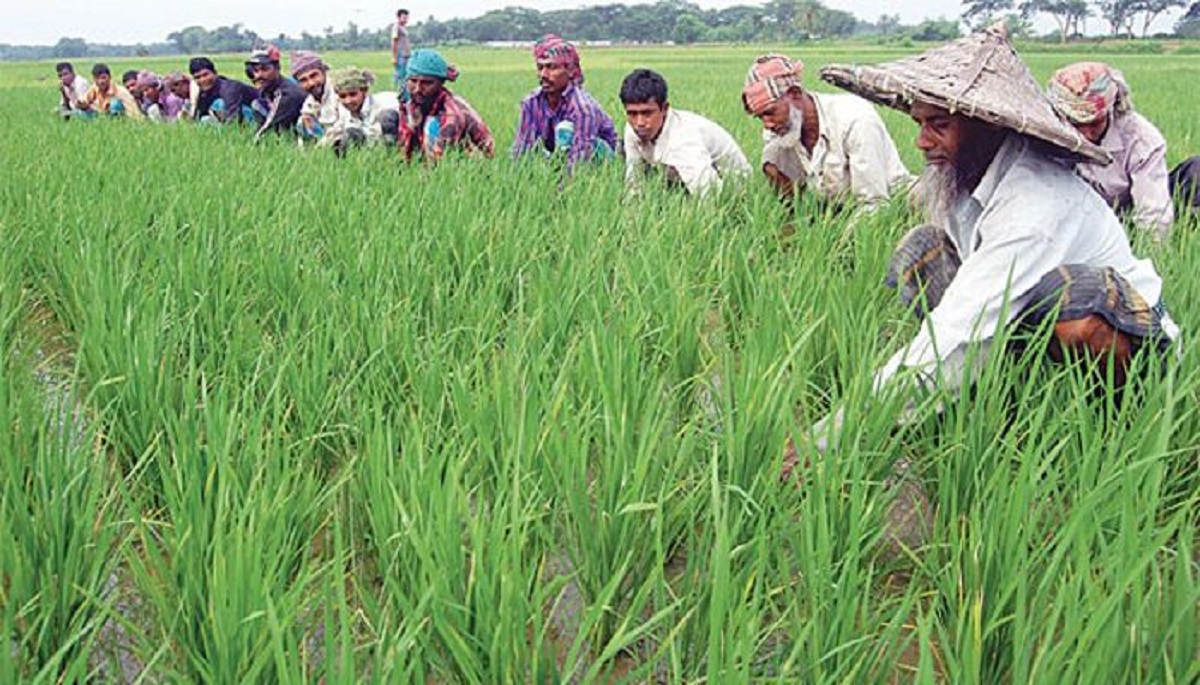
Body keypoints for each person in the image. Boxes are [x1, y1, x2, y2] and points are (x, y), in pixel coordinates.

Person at [796, 25, 1178, 459]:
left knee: (1075, 307)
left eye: (939, 125)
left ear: (985, 126)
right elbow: (970, 299)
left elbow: (962, 323)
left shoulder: (1035, 203)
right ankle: (982, 402)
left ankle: (1118, 432)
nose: (922, 141)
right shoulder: (965, 175)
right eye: (920, 123)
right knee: (922, 252)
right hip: (1031, 316)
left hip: (1135, 340)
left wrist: (835, 434)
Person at [1047, 62, 1200, 239]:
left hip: (1129, 207)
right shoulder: (1051, 135)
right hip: (1083, 215)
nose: (1087, 134)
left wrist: (1151, 251)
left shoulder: (1141, 139)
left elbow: (1153, 210)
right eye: (1077, 125)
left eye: (1095, 123)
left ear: (1112, 108)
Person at [741, 54, 912, 211]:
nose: (767, 124)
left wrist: (837, 243)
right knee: (771, 157)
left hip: (892, 202)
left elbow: (875, 205)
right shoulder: (780, 133)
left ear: (794, 95)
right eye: (760, 117)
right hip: (836, 209)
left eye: (770, 112)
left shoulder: (854, 119)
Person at [620, 68, 750, 197]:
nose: (639, 122)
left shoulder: (683, 138)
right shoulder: (632, 130)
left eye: (647, 113)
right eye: (632, 113)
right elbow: (634, 179)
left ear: (664, 108)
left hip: (730, 185)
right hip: (678, 177)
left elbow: (709, 193)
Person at [512, 34, 617, 167]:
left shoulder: (582, 108)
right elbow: (522, 150)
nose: (543, 75)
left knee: (565, 130)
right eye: (540, 68)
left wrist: (564, 187)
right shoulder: (531, 103)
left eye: (551, 67)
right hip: (557, 156)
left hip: (598, 159)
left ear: (570, 70)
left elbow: (581, 155)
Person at [398, 49, 494, 162]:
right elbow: (405, 141)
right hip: (432, 149)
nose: (418, 88)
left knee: (431, 126)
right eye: (413, 81)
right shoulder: (410, 98)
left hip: (471, 160)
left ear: (440, 84)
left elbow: (437, 165)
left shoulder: (449, 114)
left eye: (427, 83)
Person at [323, 67, 401, 153]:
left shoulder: (383, 105)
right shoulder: (345, 112)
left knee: (387, 119)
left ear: (364, 90)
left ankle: (393, 154)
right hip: (372, 147)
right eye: (343, 96)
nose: (348, 101)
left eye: (353, 94)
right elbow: (334, 133)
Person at [245, 45, 307, 139]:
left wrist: (251, 144)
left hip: (304, 128)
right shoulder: (266, 88)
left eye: (265, 69)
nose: (259, 75)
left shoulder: (286, 93)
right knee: (257, 104)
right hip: (284, 124)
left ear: (277, 69)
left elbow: (271, 124)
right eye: (256, 70)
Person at [292, 51, 340, 142]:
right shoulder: (310, 101)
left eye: (314, 75)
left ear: (324, 72)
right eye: (303, 80)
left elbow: (343, 128)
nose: (311, 83)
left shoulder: (339, 93)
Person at [76, 64, 142, 119]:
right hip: (102, 115)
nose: (101, 81)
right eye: (97, 79)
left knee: (114, 103)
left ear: (109, 77)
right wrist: (82, 105)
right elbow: (83, 101)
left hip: (119, 116)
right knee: (81, 112)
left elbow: (133, 112)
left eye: (103, 78)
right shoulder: (94, 88)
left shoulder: (120, 91)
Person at [391, 8, 412, 95]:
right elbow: (394, 42)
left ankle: (403, 94)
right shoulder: (396, 27)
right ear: (398, 17)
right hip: (401, 56)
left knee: (405, 76)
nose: (406, 19)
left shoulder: (403, 28)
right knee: (401, 76)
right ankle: (398, 94)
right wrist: (394, 57)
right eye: (404, 17)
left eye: (407, 18)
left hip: (406, 56)